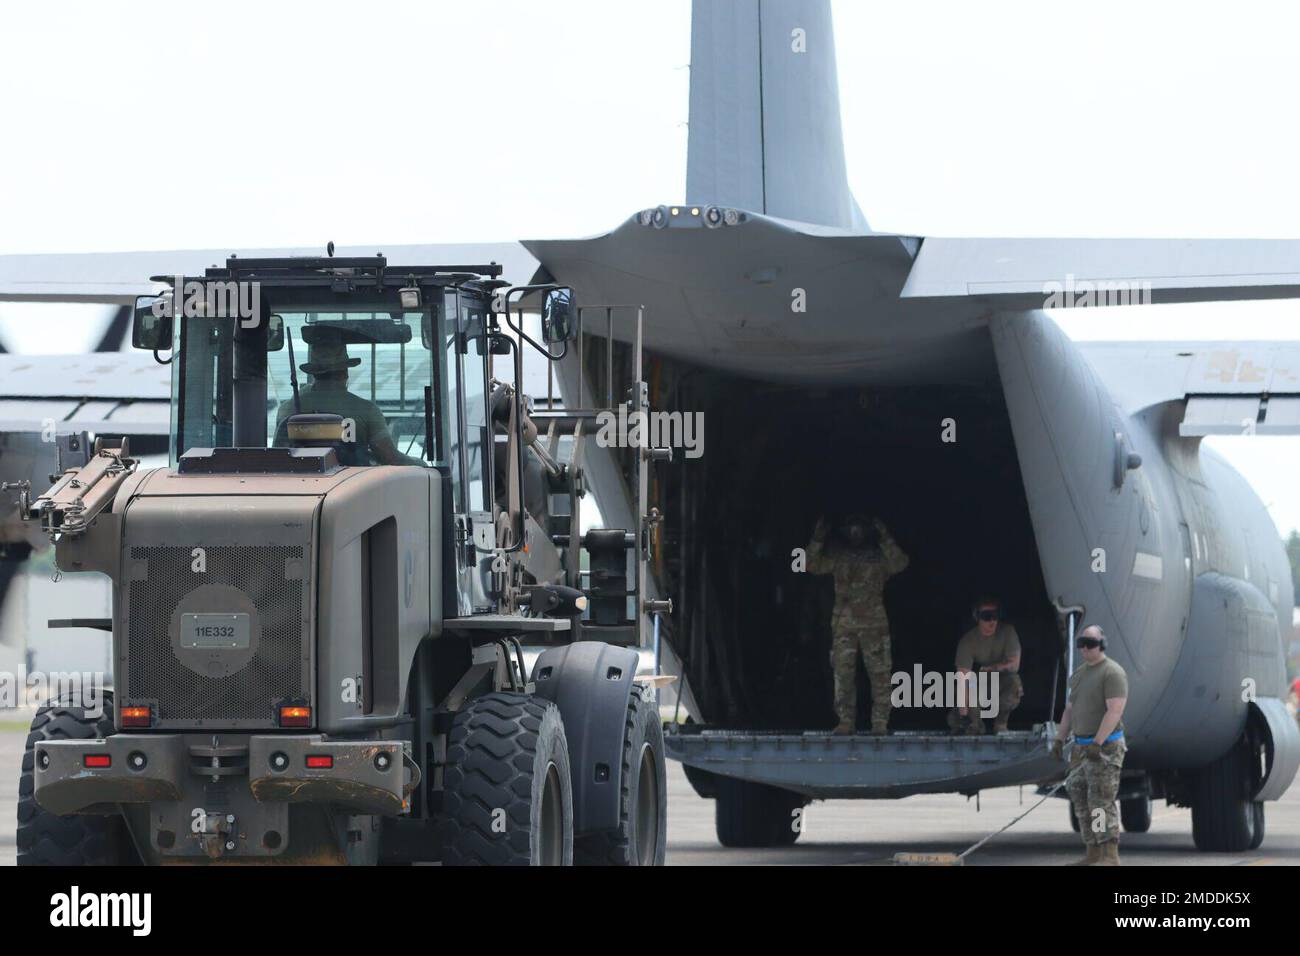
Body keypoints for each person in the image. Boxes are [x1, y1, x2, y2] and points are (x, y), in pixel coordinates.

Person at [807, 514, 908, 735]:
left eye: (859, 528)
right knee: (843, 674)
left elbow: (900, 563)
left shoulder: (879, 556)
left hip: (874, 625)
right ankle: (845, 721)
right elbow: (811, 564)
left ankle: (880, 722)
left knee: (880, 674)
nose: (855, 533)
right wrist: (817, 538)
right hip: (845, 625)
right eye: (850, 528)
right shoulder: (838, 556)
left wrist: (885, 536)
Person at [275, 338, 423, 466]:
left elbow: (276, 458)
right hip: (356, 493)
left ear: (314, 373)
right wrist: (420, 464)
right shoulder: (366, 411)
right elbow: (390, 458)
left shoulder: (288, 409)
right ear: (345, 372)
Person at [1051, 624, 1129, 866]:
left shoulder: (1112, 673)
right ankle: (1093, 850)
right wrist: (1059, 739)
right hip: (1081, 747)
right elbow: (1070, 710)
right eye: (1081, 643)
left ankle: (1110, 855)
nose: (1085, 648)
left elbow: (1115, 710)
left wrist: (1098, 742)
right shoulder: (1080, 674)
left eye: (1091, 643)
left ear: (1102, 644)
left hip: (1104, 748)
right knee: (1079, 794)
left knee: (1101, 800)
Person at [947, 596, 1023, 735]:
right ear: (977, 617)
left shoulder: (1008, 632)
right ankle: (974, 724)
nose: (992, 621)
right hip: (976, 685)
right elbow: (963, 679)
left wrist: (992, 669)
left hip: (1000, 682)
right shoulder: (968, 641)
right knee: (970, 725)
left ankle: (1000, 725)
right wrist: (964, 715)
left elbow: (1014, 664)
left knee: (1014, 682)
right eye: (986, 616)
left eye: (995, 616)